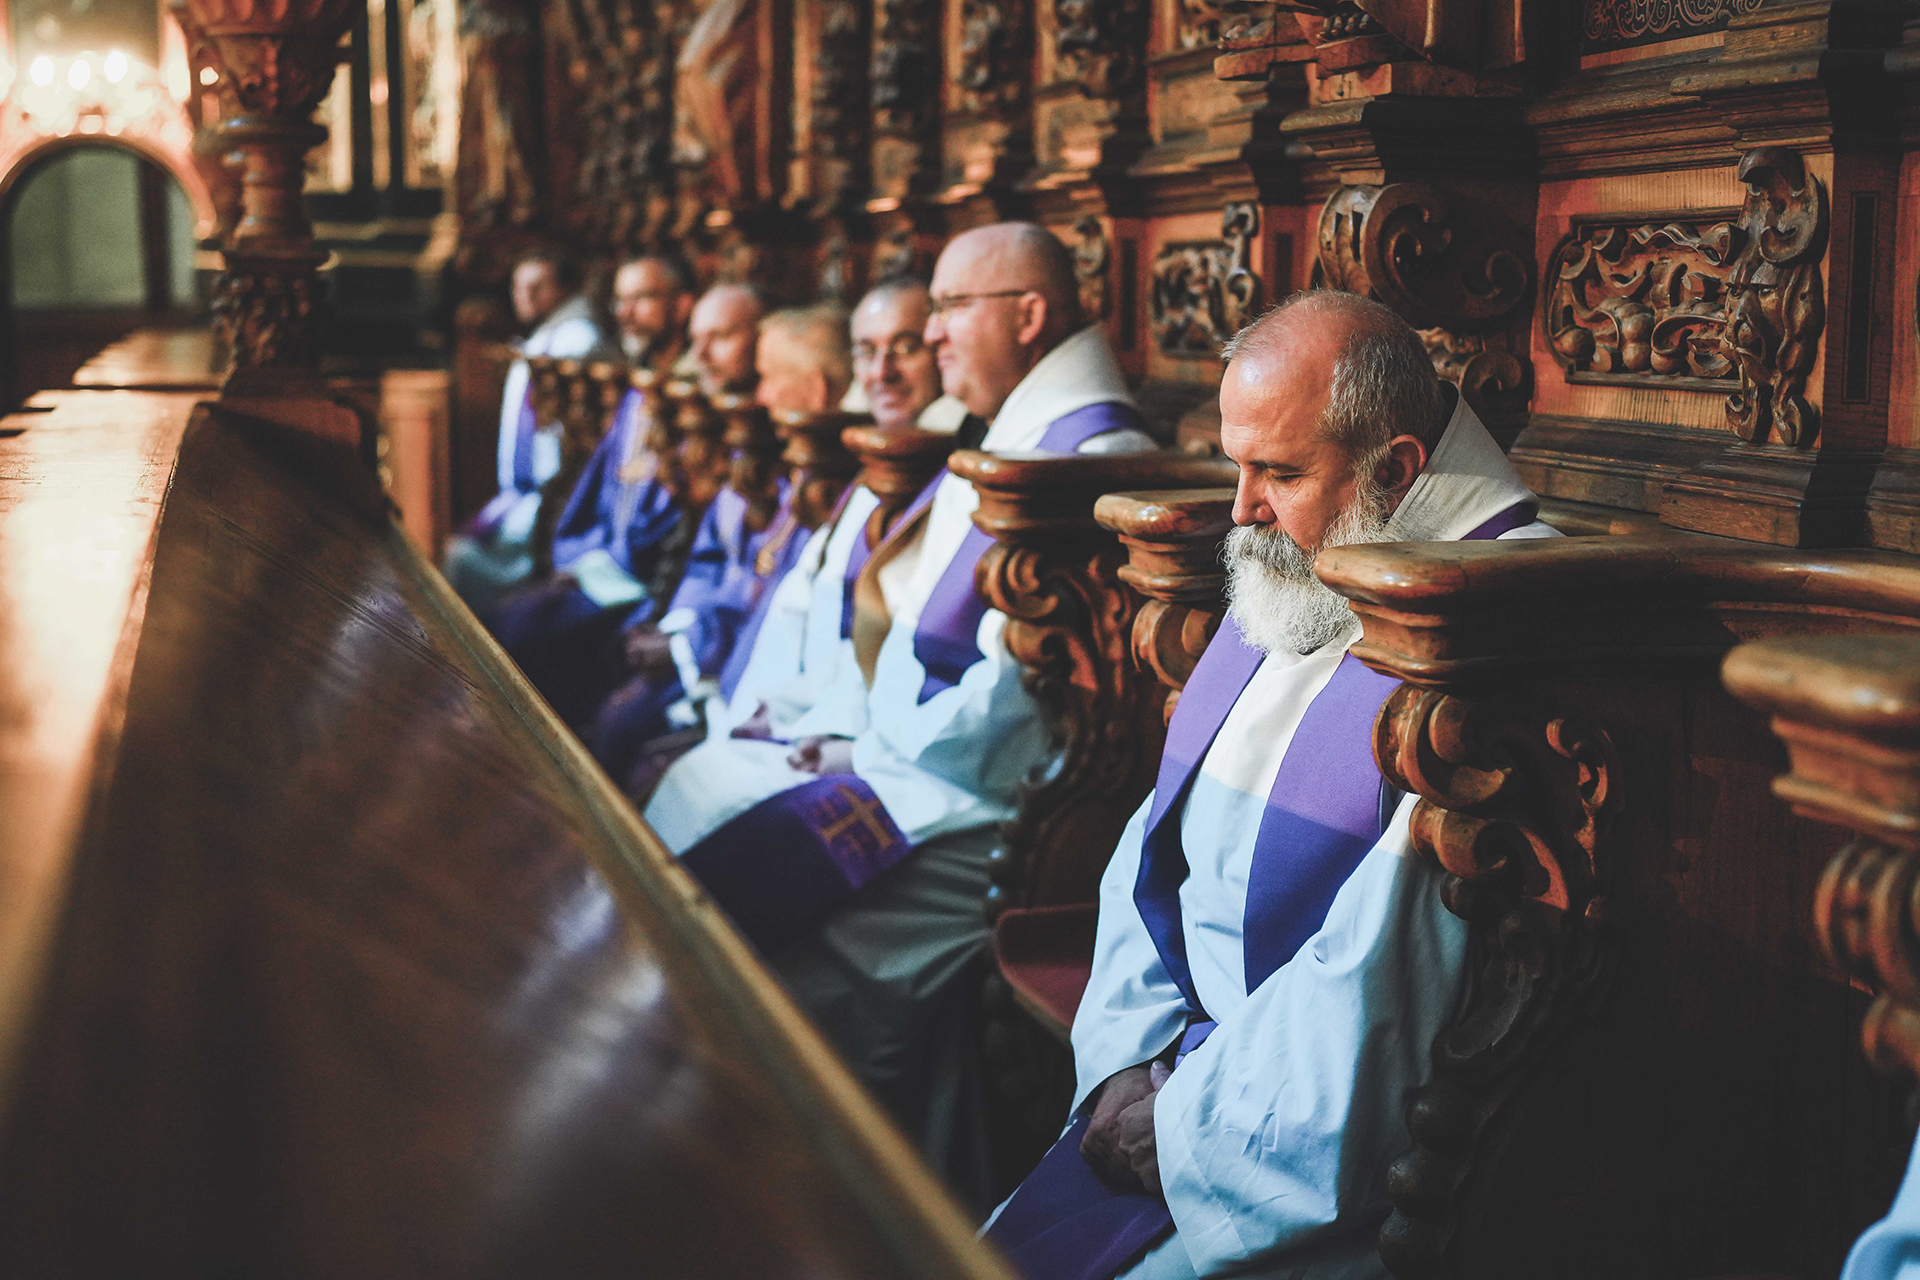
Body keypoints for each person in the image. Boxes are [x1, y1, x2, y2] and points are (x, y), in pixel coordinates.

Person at [981, 290, 1560, 1280]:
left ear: (1397, 469)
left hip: (1279, 1155)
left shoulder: (1480, 632)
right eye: (1236, 465)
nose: (1242, 508)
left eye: (1280, 473)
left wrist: (1179, 1127)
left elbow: (1376, 991)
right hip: (1177, 1077)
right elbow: (1153, 851)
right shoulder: (1304, 573)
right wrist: (1122, 1060)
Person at [643, 223, 1155, 1204]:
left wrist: (866, 745)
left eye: (950, 310)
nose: (933, 336)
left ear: (1029, 315)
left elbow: (1021, 699)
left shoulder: (1087, 455)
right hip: (926, 766)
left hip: (989, 801)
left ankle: (845, 1195)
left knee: (799, 947)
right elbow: (918, 636)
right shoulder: (1009, 436)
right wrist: (856, 737)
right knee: (710, 828)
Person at [625, 278, 956, 795]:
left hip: (841, 734)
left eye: (907, 347)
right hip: (757, 697)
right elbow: (727, 576)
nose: (881, 371)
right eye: (866, 352)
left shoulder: (867, 479)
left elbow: (873, 638)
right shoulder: (831, 472)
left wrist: (794, 722)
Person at [585, 303, 855, 754]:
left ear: (815, 390)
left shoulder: (830, 491)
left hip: (749, 685)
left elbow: (768, 607)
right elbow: (708, 561)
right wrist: (680, 631)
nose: (760, 394)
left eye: (767, 377)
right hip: (712, 653)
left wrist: (689, 648)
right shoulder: (766, 460)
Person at [443, 247, 609, 614]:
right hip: (526, 494)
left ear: (563, 289)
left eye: (538, 287)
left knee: (464, 564)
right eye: (518, 287)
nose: (525, 297)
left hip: (552, 495)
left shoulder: (577, 338)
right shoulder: (544, 336)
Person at [611, 254, 698, 373]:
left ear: (681, 305)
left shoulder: (703, 374)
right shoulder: (627, 373)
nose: (624, 313)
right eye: (620, 300)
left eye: (641, 297)